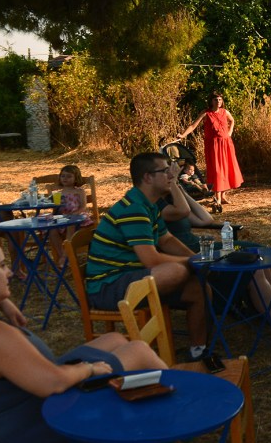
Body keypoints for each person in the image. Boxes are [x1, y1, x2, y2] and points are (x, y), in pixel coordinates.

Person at [0, 234, 166, 443]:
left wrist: (2, 302)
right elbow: (53, 383)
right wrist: (88, 369)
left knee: (115, 339)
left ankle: (160, 412)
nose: (9, 272)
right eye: (1, 266)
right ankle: (177, 418)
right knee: (139, 351)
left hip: (5, 423)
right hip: (40, 426)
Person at [85, 153, 208, 360]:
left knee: (198, 287)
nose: (171, 175)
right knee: (176, 271)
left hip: (133, 277)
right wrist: (193, 262)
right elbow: (151, 260)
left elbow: (166, 240)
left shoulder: (149, 205)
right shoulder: (133, 209)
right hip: (108, 287)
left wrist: (198, 258)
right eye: (165, 171)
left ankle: (198, 351)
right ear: (148, 177)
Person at [158, 175, 271, 328]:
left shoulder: (173, 200)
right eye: (166, 173)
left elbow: (206, 219)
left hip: (205, 248)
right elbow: (183, 211)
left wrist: (182, 191)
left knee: (257, 253)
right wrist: (175, 184)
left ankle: (270, 308)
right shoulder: (159, 206)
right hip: (195, 252)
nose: (170, 176)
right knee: (253, 268)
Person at [177, 91, 244, 209]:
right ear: (211, 101)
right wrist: (182, 135)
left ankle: (223, 196)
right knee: (217, 170)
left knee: (226, 169)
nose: (218, 102)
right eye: (215, 100)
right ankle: (217, 198)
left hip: (226, 144)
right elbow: (193, 126)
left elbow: (232, 120)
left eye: (220, 99)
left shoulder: (225, 112)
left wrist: (229, 132)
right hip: (213, 146)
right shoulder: (206, 113)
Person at [46, 165, 94, 268]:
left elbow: (83, 206)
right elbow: (56, 210)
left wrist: (75, 213)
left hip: (78, 218)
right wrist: (55, 210)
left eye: (69, 176)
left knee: (70, 225)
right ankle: (62, 256)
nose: (65, 178)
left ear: (76, 178)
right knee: (52, 229)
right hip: (63, 218)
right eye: (63, 176)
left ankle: (64, 257)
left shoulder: (79, 191)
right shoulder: (58, 194)